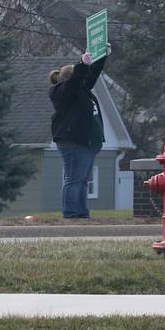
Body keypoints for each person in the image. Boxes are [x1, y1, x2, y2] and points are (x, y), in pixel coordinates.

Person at [49, 49, 108, 219]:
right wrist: (82, 64)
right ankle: (71, 214)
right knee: (74, 179)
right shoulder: (61, 92)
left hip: (87, 143)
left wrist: (101, 56)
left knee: (82, 180)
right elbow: (75, 81)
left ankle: (81, 213)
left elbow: (92, 75)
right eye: (79, 75)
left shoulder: (81, 90)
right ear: (71, 78)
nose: (83, 78)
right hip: (73, 143)